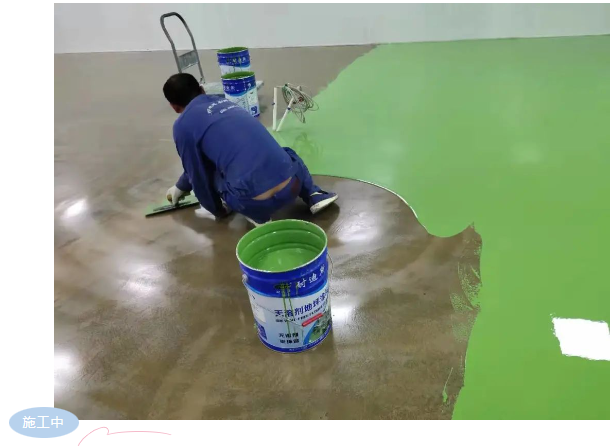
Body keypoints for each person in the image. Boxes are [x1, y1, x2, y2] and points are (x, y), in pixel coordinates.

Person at [162, 73, 338, 226]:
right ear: (202, 90)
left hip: (254, 202)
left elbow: (198, 172)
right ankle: (314, 194)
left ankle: (258, 217)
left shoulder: (182, 126)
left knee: (211, 171)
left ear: (174, 107)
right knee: (287, 153)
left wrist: (217, 210)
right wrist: (181, 186)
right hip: (293, 186)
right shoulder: (225, 103)